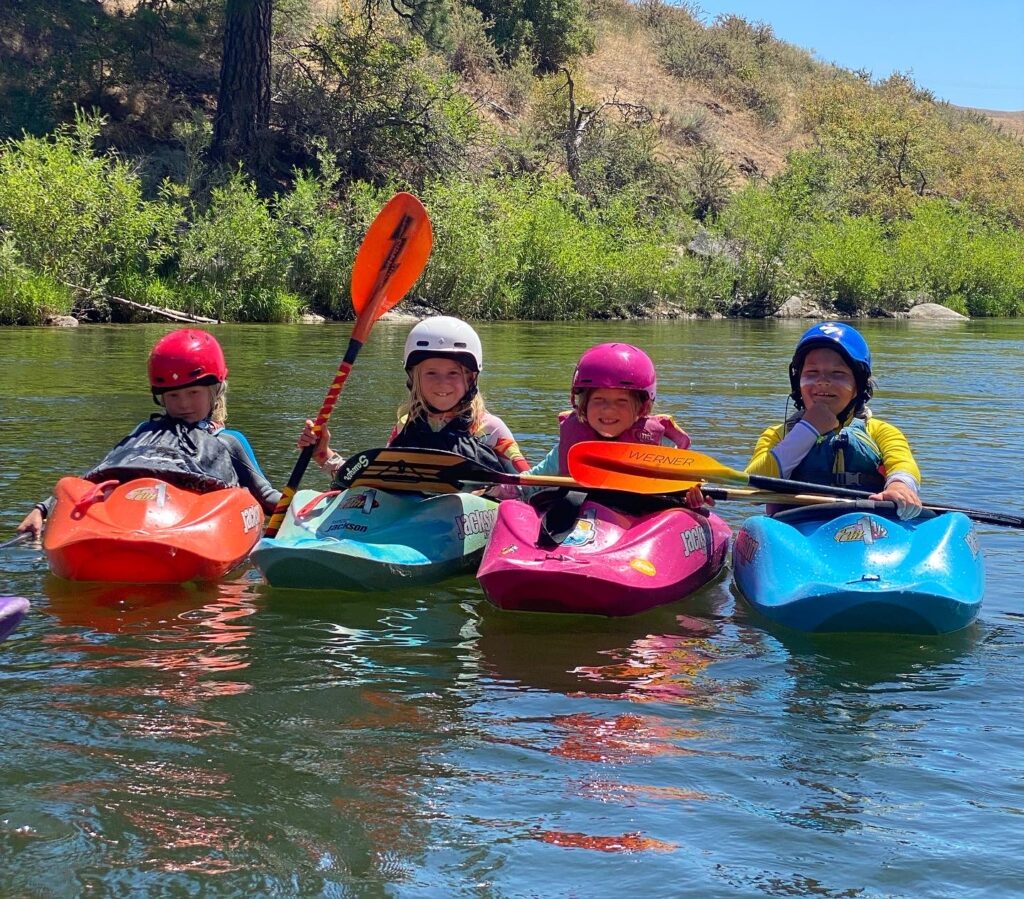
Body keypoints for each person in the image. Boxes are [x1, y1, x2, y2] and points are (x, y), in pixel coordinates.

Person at [17, 328, 281, 538]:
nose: (184, 403)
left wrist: (309, 509)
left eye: (194, 393)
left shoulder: (228, 441)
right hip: (135, 522)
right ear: (161, 398)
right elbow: (98, 477)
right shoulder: (145, 433)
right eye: (173, 395)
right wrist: (43, 509)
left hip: (194, 527)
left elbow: (266, 497)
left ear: (215, 392)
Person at [300, 316, 530, 481]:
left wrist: (492, 489)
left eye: (453, 373)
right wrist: (322, 454)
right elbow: (375, 480)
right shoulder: (405, 426)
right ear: (413, 378)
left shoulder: (490, 430)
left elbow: (526, 485)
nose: (442, 383)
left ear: (471, 378)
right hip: (409, 525)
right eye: (431, 373)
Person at [745, 321, 923, 519]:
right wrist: (808, 429)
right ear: (798, 383)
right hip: (796, 533)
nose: (823, 381)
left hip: (868, 530)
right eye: (812, 373)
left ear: (859, 386)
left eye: (838, 374)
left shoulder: (881, 432)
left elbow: (903, 466)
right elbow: (754, 489)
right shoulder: (777, 435)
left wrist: (900, 486)